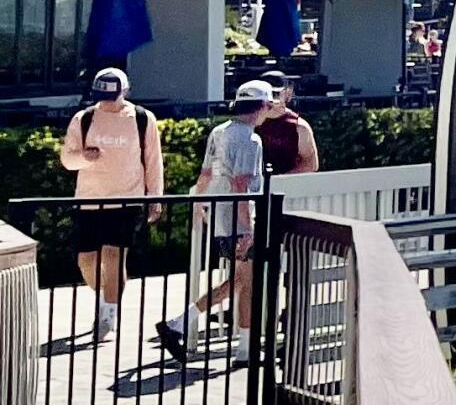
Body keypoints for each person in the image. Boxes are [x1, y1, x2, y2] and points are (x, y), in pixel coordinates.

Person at [161, 88, 269, 363]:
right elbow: (242, 184)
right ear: (260, 107)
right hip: (239, 220)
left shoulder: (219, 132)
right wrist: (249, 228)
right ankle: (241, 347)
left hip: (221, 216)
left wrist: (199, 203)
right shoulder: (251, 140)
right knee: (245, 283)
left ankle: (182, 325)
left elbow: (206, 174)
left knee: (240, 282)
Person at [58, 66, 164, 343]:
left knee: (115, 256)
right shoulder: (84, 118)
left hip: (127, 199)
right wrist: (84, 157)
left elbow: (153, 160)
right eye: (101, 96)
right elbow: (68, 160)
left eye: (112, 96)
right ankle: (106, 298)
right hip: (89, 199)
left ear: (125, 91)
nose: (106, 102)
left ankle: (108, 316)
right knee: (86, 261)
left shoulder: (142, 118)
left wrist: (155, 197)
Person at [255, 79, 320, 181]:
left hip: (290, 186)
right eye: (270, 94)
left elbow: (310, 164)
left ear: (286, 94)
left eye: (277, 94)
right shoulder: (250, 121)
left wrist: (278, 181)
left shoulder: (299, 127)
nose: (274, 99)